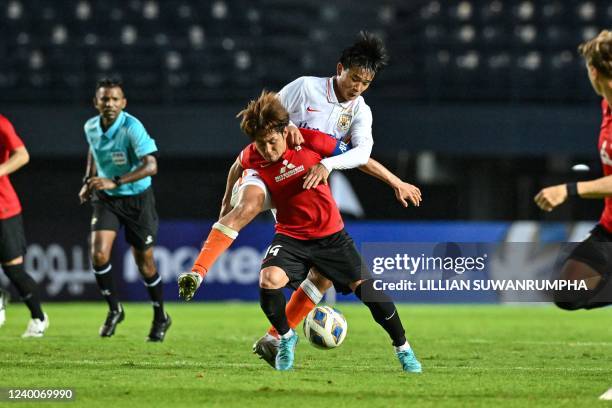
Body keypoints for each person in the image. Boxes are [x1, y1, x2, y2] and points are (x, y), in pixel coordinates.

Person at [179, 91, 422, 372]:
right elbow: (237, 166)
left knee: (371, 295)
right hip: (291, 236)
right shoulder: (253, 155)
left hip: (331, 237)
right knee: (269, 279)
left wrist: (396, 182)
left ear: (285, 131)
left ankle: (403, 349)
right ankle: (285, 337)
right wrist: (225, 201)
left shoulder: (310, 140)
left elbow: (360, 159)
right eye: (261, 144)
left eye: (272, 142)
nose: (268, 151)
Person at [219, 31, 421, 366]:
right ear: (340, 68)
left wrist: (392, 180)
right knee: (254, 210)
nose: (357, 87)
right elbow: (264, 117)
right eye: (354, 78)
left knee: (323, 276)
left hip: (314, 192)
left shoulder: (359, 112)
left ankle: (277, 338)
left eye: (366, 83)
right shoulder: (305, 88)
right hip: (276, 180)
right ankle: (220, 242)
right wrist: (285, 127)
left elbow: (360, 153)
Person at [79, 79, 171, 341]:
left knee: (145, 264)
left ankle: (161, 316)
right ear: (96, 102)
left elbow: (151, 165)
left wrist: (115, 180)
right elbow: (94, 151)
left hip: (137, 199)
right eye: (104, 99)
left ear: (123, 103)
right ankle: (114, 309)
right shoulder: (91, 127)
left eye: (115, 99)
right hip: (107, 198)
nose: (109, 104)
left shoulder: (132, 127)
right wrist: (88, 181)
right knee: (98, 254)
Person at [535, 30, 612, 311]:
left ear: (592, 71)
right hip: (609, 229)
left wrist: (568, 189)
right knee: (568, 293)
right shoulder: (607, 106)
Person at [0, 114, 49, 337]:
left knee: (14, 270)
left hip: (4, 209)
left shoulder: (1, 123)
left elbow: (22, 155)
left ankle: (39, 317)